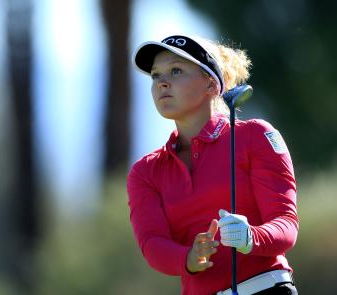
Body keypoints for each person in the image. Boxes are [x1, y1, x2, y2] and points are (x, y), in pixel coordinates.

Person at [127, 34, 299, 295]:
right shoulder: (146, 172)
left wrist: (252, 237)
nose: (162, 82)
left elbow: (285, 223)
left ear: (210, 85)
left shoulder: (254, 136)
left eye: (175, 70)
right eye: (155, 75)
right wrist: (189, 257)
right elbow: (152, 244)